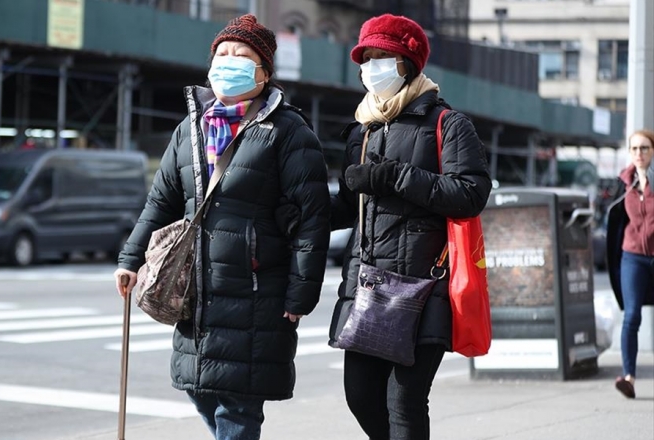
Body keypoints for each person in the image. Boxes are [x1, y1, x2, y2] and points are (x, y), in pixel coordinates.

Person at [112, 14, 330, 440]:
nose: (227, 62)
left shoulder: (289, 132)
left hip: (255, 291)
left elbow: (311, 220)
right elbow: (161, 202)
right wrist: (130, 259)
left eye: (241, 55)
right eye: (222, 54)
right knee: (200, 387)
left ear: (264, 72)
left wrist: (300, 294)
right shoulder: (189, 130)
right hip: (197, 290)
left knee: (238, 406)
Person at [328, 14, 491, 439]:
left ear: (408, 63)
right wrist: (299, 211)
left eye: (383, 56)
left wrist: (394, 177)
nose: (372, 67)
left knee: (405, 404)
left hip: (423, 287)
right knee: (359, 395)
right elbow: (350, 207)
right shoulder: (361, 129)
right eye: (367, 58)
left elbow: (470, 194)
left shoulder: (448, 124)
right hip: (366, 285)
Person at [606, 129, 654, 399]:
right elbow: (611, 214)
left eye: (645, 148)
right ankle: (629, 378)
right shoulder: (624, 183)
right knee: (632, 315)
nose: (639, 153)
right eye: (635, 148)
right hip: (632, 256)